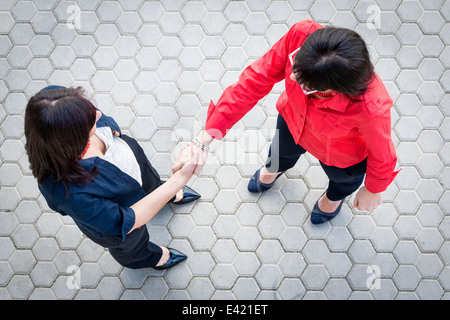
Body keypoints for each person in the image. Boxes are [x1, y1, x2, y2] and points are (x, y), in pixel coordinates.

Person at [175, 20, 399, 224]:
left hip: (341, 155)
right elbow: (254, 81)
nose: (292, 77)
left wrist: (372, 190)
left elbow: (382, 154)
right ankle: (274, 169)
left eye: (305, 83)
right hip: (293, 120)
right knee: (278, 152)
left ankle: (334, 198)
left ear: (332, 89)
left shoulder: (371, 107)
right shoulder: (301, 34)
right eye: (295, 65)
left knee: (342, 181)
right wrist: (203, 140)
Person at [24, 85, 204, 269]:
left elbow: (102, 118)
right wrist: (177, 181)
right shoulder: (66, 191)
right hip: (126, 214)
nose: (99, 115)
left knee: (153, 183)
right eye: (91, 121)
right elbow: (126, 221)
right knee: (133, 245)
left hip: (136, 170)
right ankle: (150, 257)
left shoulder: (57, 104)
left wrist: (114, 130)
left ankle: (165, 194)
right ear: (73, 139)